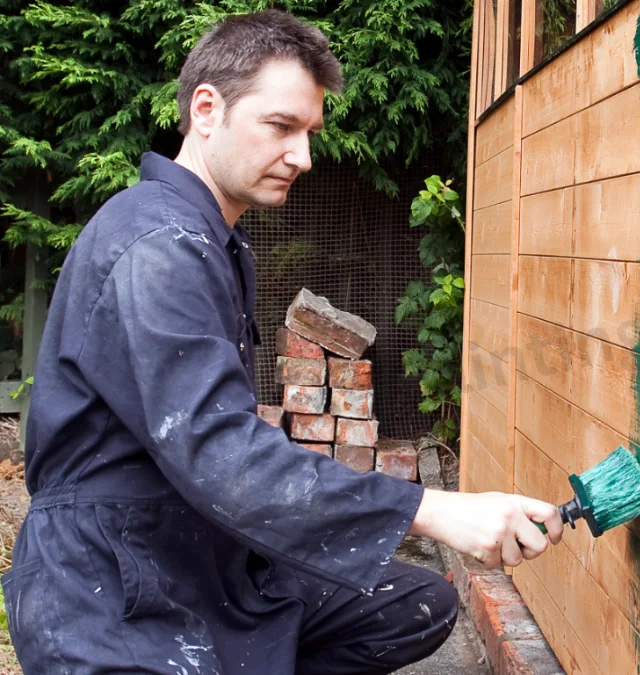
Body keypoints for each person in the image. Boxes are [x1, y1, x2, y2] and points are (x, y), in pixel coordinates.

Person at [2, 9, 564, 674]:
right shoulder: (158, 247)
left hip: (205, 556)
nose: (303, 155)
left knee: (410, 600)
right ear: (206, 109)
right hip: (112, 583)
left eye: (310, 132)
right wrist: (433, 508)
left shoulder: (209, 238)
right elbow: (225, 457)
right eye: (282, 126)